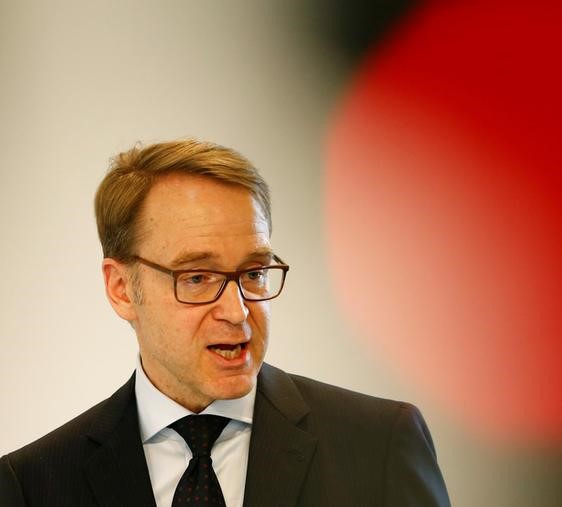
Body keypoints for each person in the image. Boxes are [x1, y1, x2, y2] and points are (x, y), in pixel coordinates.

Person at [0, 139, 450, 507]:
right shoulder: (33, 484)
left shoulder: (378, 444)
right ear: (121, 288)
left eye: (253, 273)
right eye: (197, 278)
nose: (237, 312)